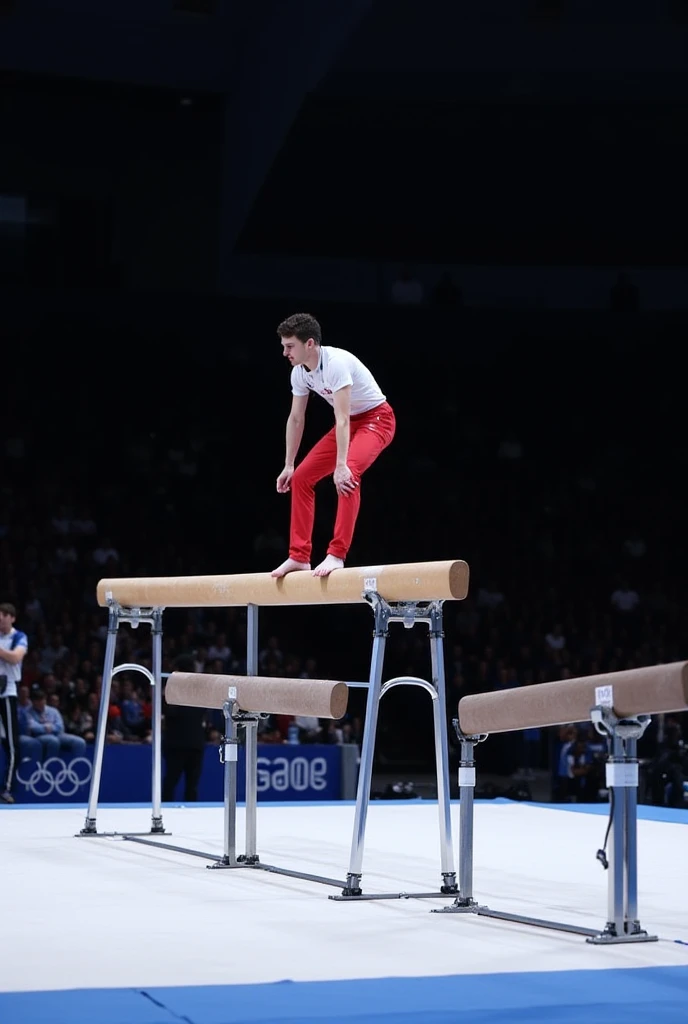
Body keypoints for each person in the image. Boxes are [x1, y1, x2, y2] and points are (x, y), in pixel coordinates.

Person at [271, 313, 396, 578]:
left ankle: (337, 554)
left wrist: (340, 466)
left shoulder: (336, 364)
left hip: (377, 419)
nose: (285, 352)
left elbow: (340, 418)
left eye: (289, 346)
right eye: (283, 346)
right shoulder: (299, 374)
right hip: (350, 422)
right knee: (302, 477)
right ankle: (299, 556)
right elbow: (296, 418)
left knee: (348, 474)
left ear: (310, 344)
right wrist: (289, 464)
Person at [161, 655, 208, 803]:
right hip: (181, 744)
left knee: (186, 785)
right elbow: (169, 712)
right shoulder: (175, 689)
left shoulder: (196, 690)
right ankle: (168, 810)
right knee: (175, 783)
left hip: (188, 744)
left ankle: (187, 813)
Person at [0, 602, 28, 803]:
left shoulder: (19, 637)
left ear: (12, 618)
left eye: (3, 616)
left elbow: (15, 658)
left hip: (7, 694)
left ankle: (7, 789)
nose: (0, 620)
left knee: (11, 745)